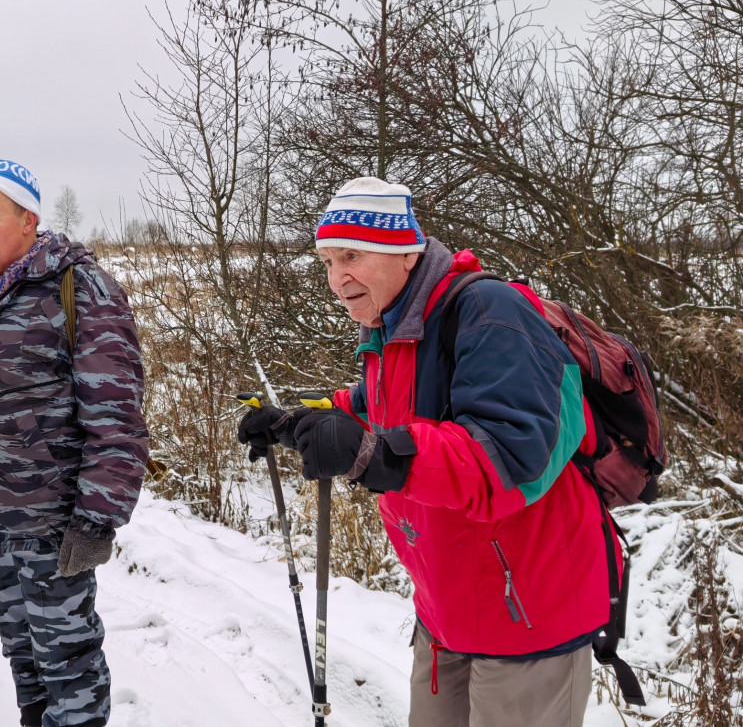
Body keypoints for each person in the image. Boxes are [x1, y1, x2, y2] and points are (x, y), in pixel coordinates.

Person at [237, 178, 617, 727]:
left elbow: (509, 457)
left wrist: (369, 453)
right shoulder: (391, 328)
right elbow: (367, 410)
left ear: (402, 252)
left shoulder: (491, 312)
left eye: (351, 255)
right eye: (325, 260)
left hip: (527, 613)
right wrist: (293, 422)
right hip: (446, 609)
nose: (335, 277)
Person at [0, 159, 148, 727]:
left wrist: (96, 521)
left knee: (69, 667)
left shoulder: (81, 290)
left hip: (52, 528)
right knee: (24, 657)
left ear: (28, 219)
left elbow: (117, 420)